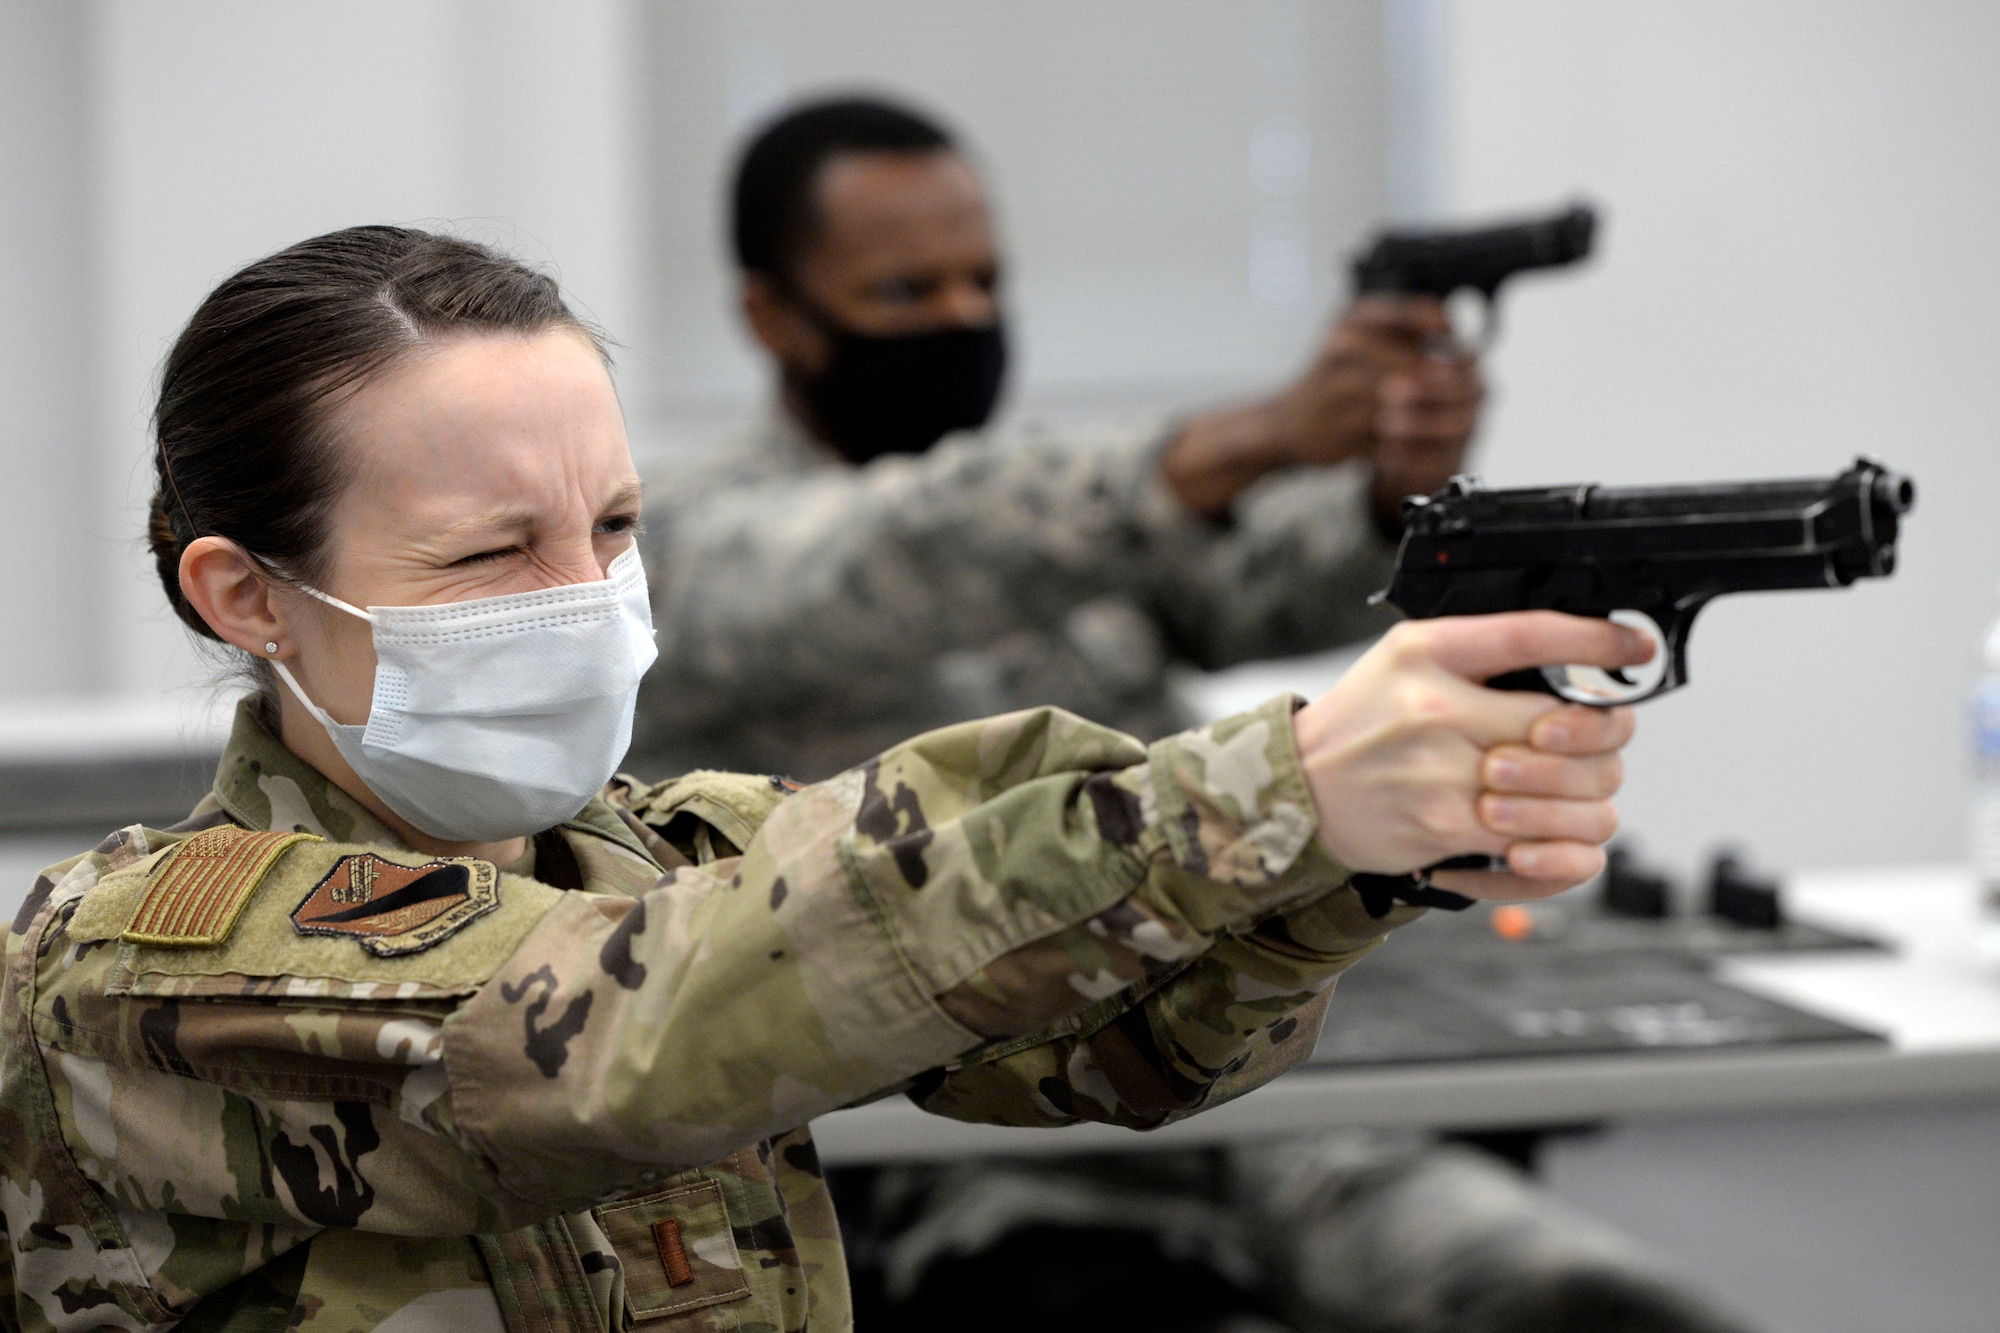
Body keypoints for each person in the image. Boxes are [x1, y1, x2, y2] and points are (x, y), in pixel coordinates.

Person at [0, 226, 1641, 1331]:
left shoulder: (668, 850)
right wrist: (1266, 788)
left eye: (616, 527)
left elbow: (1122, 1045)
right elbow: (637, 1031)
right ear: (246, 595)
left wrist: (1352, 857)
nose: (586, 591)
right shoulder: (134, 954)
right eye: (493, 550)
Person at [626, 97, 1484, 779]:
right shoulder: (672, 539)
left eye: (984, 280)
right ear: (772, 316)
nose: (965, 315)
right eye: (905, 290)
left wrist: (1388, 495)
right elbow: (909, 546)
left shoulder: (1062, 509)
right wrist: (1259, 437)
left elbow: (1250, 599)